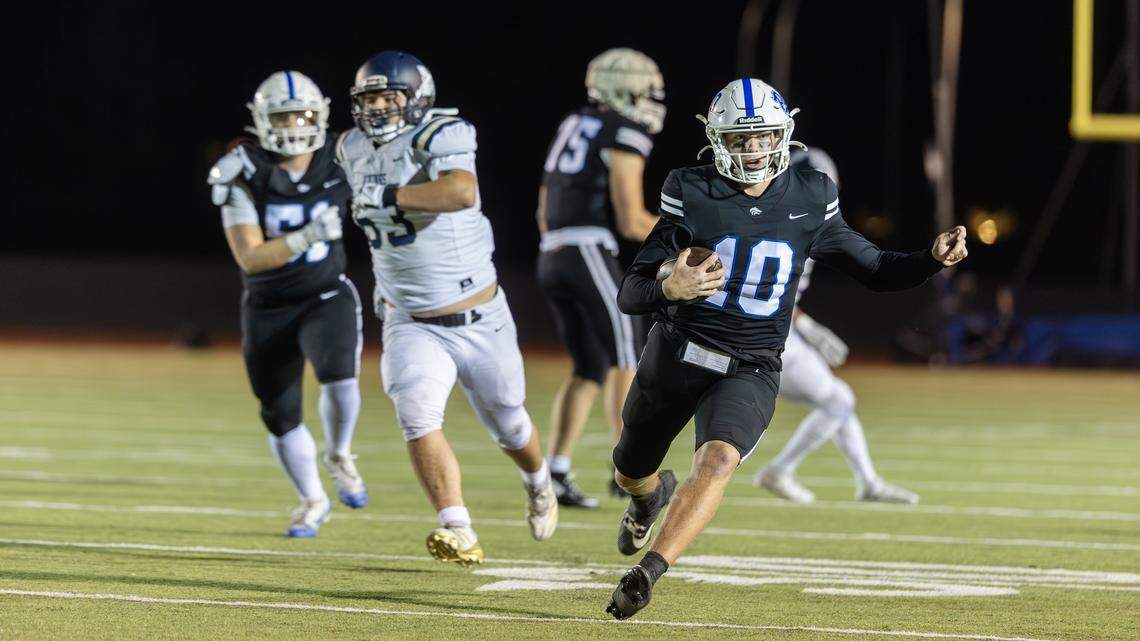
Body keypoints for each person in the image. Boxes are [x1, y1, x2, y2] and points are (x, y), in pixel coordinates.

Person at [605, 78, 967, 619]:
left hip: (751, 365)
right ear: (716, 139)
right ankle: (646, 499)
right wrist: (668, 286)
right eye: (741, 139)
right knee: (631, 469)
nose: (754, 150)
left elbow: (874, 268)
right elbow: (631, 292)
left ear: (784, 136)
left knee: (720, 459)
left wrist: (929, 259)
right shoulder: (692, 189)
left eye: (764, 137)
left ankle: (648, 571)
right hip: (679, 351)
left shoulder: (810, 194)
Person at [337, 51, 557, 566]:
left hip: (479, 316)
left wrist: (391, 193)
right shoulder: (349, 147)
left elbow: (461, 191)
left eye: (389, 96)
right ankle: (458, 530)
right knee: (416, 413)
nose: (379, 107)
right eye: (370, 98)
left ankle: (538, 480)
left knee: (510, 423)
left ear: (418, 98)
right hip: (409, 318)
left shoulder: (442, 133)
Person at [207, 70, 366, 538]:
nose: (295, 124)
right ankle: (313, 500)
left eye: (303, 114)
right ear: (262, 120)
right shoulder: (244, 169)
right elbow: (252, 258)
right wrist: (310, 235)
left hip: (325, 293)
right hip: (268, 303)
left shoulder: (345, 154)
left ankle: (340, 453)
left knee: (339, 376)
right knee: (278, 414)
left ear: (320, 115)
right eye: (284, 115)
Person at [535, 48, 665, 508]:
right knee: (630, 352)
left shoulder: (578, 121)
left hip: (552, 251)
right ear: (619, 89)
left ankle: (556, 470)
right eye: (641, 89)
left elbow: (544, 203)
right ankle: (628, 469)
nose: (650, 97)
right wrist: (695, 236)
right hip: (585, 246)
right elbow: (632, 220)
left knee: (589, 366)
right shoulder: (623, 129)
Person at [755, 148, 918, 505]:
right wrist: (806, 324)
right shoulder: (782, 222)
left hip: (774, 330)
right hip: (764, 336)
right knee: (837, 400)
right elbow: (760, 289)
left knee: (838, 399)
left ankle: (868, 482)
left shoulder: (786, 217)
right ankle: (780, 470)